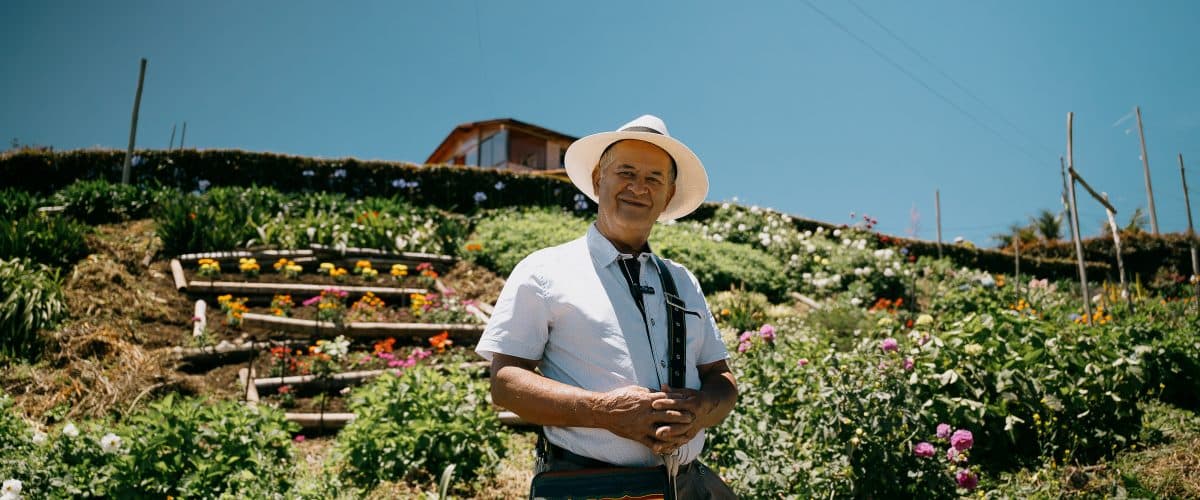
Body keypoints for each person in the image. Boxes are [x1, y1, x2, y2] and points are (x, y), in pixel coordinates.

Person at [476, 114, 738, 498]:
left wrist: (699, 411)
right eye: (626, 172)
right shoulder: (545, 270)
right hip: (590, 487)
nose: (638, 187)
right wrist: (603, 411)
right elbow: (505, 383)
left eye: (654, 179)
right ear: (599, 178)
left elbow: (722, 378)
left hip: (686, 486)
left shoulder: (683, 280)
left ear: (668, 195)